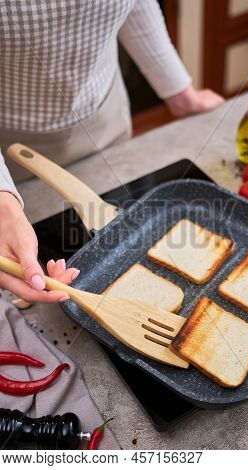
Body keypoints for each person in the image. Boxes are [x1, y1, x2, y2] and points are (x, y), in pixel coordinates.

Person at [0, 0, 224, 303]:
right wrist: (4, 204)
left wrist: (180, 93)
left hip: (105, 115)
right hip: (9, 139)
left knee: (124, 230)